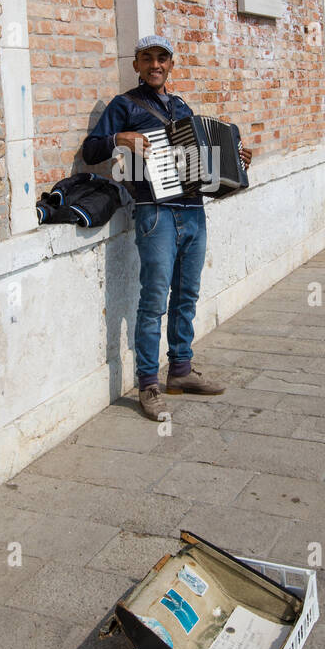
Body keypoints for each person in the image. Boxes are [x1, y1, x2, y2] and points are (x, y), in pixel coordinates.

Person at [82, 35, 252, 420]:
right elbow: (92, 150)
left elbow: (205, 166)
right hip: (155, 212)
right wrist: (116, 138)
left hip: (193, 211)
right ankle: (149, 384)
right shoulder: (124, 105)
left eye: (162, 58)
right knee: (154, 301)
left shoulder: (181, 107)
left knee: (186, 296)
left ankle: (180, 370)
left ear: (171, 65)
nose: (155, 65)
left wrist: (238, 159)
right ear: (136, 66)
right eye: (147, 59)